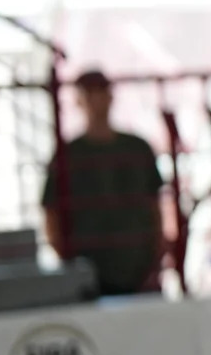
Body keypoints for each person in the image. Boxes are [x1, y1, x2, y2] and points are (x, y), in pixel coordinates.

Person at [42, 69, 164, 298]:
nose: (96, 100)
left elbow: (155, 205)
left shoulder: (138, 148)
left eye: (101, 92)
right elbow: (51, 215)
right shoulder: (67, 156)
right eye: (89, 94)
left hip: (139, 269)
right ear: (79, 101)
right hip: (89, 275)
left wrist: (156, 255)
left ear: (110, 96)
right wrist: (68, 263)